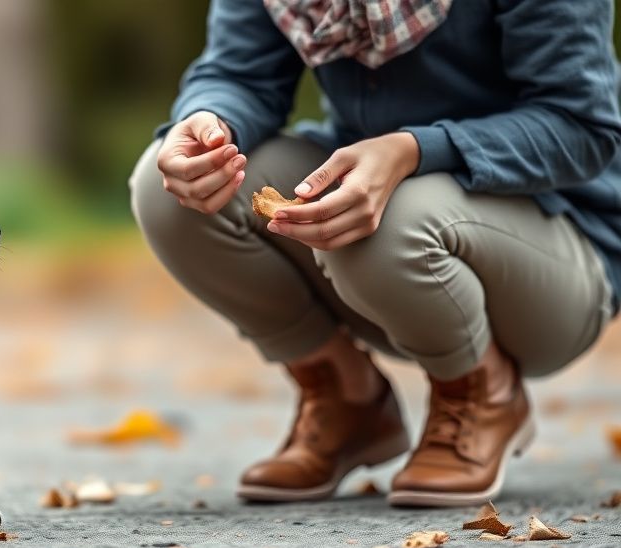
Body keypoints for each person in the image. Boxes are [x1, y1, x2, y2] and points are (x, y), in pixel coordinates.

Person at [130, 0, 621, 506]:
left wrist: (413, 150)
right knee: (167, 192)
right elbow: (239, 74)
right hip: (381, 248)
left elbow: (581, 127)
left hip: (557, 257)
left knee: (386, 223)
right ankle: (347, 396)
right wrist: (209, 122)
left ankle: (482, 392)